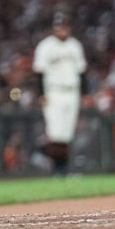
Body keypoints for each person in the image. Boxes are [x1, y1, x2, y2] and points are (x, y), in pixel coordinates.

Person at [32, 12, 88, 176]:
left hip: (72, 92)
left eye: (65, 26)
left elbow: (82, 71)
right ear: (54, 28)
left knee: (66, 133)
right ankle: (51, 164)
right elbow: (39, 73)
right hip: (54, 92)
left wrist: (85, 94)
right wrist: (41, 94)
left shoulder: (75, 45)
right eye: (59, 26)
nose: (62, 29)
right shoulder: (45, 46)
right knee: (55, 133)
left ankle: (63, 169)